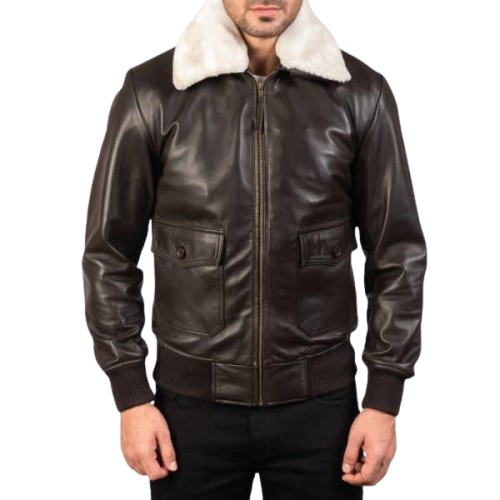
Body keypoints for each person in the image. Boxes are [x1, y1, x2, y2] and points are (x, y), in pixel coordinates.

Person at [81, 0, 428, 498]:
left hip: (323, 413)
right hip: (186, 413)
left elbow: (398, 253)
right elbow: (108, 254)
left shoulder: (361, 93)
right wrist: (130, 394)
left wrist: (384, 399)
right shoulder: (152, 91)